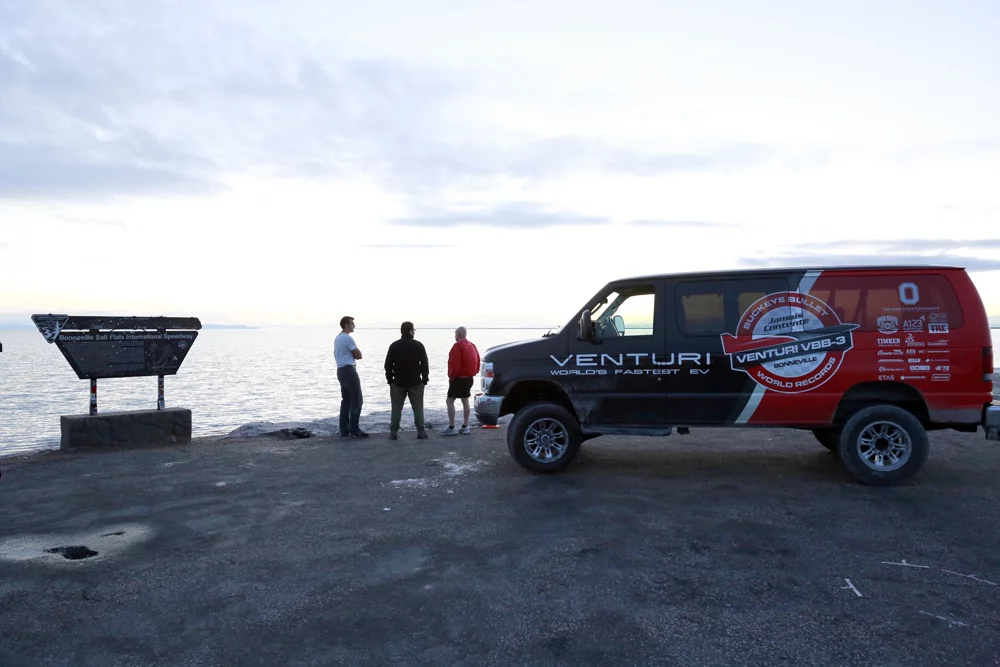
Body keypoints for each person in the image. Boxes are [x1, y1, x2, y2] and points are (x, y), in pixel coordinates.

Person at [384, 321, 430, 440]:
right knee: (418, 408)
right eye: (413, 330)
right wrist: (425, 379)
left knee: (396, 409)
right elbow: (424, 364)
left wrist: (390, 380)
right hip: (415, 382)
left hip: (398, 382)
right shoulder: (419, 345)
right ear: (410, 331)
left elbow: (388, 364)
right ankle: (421, 431)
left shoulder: (394, 346)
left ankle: (393, 432)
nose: (414, 332)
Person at [441, 326, 480, 436]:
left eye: (455, 334)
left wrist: (451, 376)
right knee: (465, 400)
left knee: (449, 401)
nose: (455, 336)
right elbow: (477, 361)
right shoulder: (472, 346)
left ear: (458, 334)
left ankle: (451, 427)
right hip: (469, 378)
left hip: (459, 378)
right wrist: (474, 372)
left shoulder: (457, 346)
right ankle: (465, 426)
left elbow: (454, 364)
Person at [334, 315, 368, 438]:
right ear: (346, 325)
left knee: (346, 400)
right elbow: (358, 355)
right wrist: (357, 353)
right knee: (357, 399)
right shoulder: (348, 339)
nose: (354, 326)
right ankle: (354, 429)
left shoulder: (338, 338)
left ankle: (344, 429)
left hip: (340, 370)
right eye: (352, 324)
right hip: (349, 370)